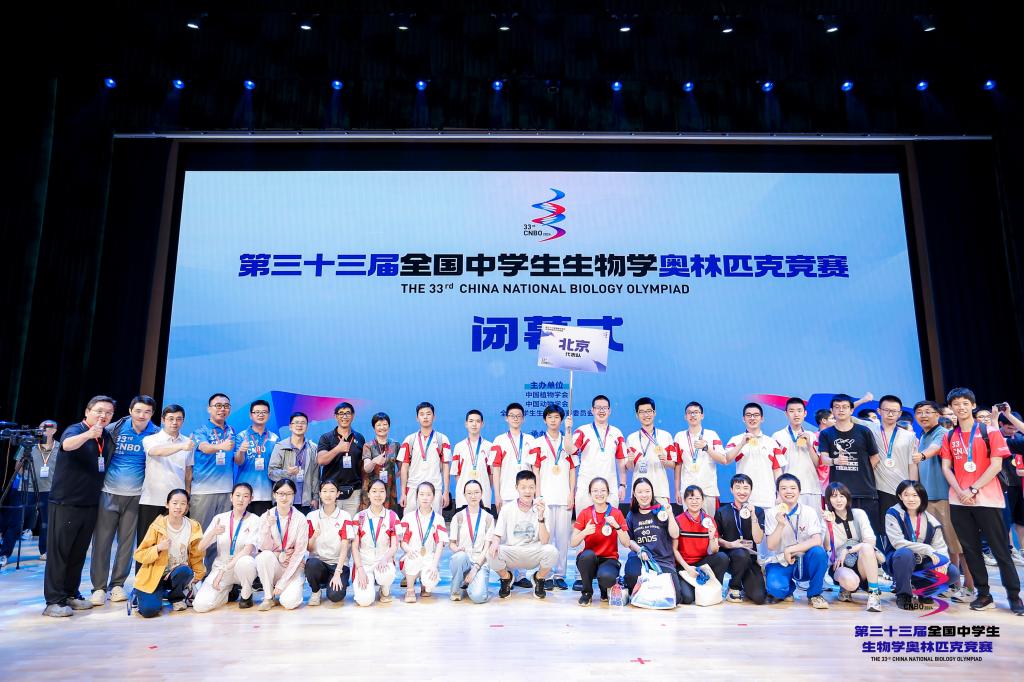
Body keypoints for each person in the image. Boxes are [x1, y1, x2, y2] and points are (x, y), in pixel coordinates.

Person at [939, 387, 1023, 614]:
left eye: (965, 403)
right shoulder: (949, 436)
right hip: (959, 501)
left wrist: (973, 489)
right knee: (970, 550)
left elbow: (996, 465)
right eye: (956, 404)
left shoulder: (990, 431)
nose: (961, 407)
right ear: (951, 408)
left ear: (973, 406)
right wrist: (960, 491)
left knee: (1000, 550)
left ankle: (1014, 597)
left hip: (988, 500)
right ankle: (984, 594)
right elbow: (946, 467)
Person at [42, 396, 117, 617]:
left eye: (109, 413)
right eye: (99, 411)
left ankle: (70, 594)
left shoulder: (106, 437)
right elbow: (66, 445)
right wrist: (88, 434)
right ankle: (54, 601)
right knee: (60, 553)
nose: (103, 416)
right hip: (66, 502)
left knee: (78, 552)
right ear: (87, 411)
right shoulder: (76, 429)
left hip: (90, 503)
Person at [90, 395, 159, 606]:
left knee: (127, 544)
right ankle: (98, 587)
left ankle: (117, 585)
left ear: (152, 414)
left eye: (147, 412)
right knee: (101, 542)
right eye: (138, 411)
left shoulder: (156, 434)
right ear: (130, 411)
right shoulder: (114, 429)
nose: (142, 415)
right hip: (108, 493)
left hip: (136, 496)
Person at [913, 400, 973, 598]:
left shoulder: (943, 433)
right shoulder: (922, 436)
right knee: (945, 546)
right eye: (919, 412)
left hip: (945, 498)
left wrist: (922, 456)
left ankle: (970, 587)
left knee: (958, 545)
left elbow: (936, 448)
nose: (923, 415)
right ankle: (952, 584)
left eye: (928, 412)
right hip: (928, 499)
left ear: (938, 415)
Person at [884, 479, 962, 611]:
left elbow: (940, 548)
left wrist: (943, 563)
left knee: (952, 572)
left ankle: (924, 591)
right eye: (906, 495)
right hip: (898, 561)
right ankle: (903, 595)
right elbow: (898, 543)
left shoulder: (932, 521)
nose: (911, 499)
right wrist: (927, 549)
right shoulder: (893, 513)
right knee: (904, 553)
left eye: (915, 495)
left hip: (922, 563)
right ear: (900, 496)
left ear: (921, 497)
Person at [132, 489, 205, 617]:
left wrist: (197, 576)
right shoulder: (157, 526)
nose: (178, 507)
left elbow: (197, 555)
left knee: (185, 571)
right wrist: (158, 548)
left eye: (183, 503)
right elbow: (139, 554)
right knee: (149, 611)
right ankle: (148, 594)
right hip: (155, 576)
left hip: (177, 574)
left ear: (187, 507)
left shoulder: (193, 526)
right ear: (167, 504)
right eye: (175, 503)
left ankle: (176, 597)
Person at [853, 394, 919, 533]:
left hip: (901, 488)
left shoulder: (909, 436)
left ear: (900, 413)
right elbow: (846, 414)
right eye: (886, 410)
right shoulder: (869, 428)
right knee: (879, 529)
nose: (890, 414)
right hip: (876, 488)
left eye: (894, 411)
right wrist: (863, 401)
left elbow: (912, 464)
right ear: (879, 411)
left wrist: (913, 488)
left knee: (901, 529)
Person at [818, 394, 882, 536]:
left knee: (870, 533)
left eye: (845, 407)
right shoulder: (826, 434)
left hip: (865, 491)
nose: (841, 410)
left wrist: (863, 471)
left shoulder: (864, 431)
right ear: (832, 411)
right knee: (844, 534)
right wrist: (835, 461)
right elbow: (824, 459)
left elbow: (875, 457)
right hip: (839, 494)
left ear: (851, 410)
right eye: (837, 407)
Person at [139, 405, 195, 566]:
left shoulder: (188, 442)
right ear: (163, 420)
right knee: (148, 544)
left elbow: (188, 472)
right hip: (152, 499)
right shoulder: (150, 439)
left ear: (183, 421)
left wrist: (187, 496)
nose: (175, 422)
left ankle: (169, 579)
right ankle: (143, 580)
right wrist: (181, 446)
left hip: (177, 503)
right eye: (171, 419)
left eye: (179, 419)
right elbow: (157, 451)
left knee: (175, 546)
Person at [488, 470, 558, 600]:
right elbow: (497, 534)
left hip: (533, 552)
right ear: (517, 488)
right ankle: (506, 578)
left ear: (535, 488)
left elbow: (545, 541)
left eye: (531, 487)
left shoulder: (542, 508)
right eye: (523, 487)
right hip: (513, 552)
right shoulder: (507, 508)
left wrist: (541, 517)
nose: (527, 491)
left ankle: (538, 579)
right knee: (491, 552)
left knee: (552, 551)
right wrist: (495, 543)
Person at [530, 404, 577, 590]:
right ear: (544, 420)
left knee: (563, 539)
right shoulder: (537, 443)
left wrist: (571, 494)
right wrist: (538, 495)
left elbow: (572, 470)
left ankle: (560, 574)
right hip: (546, 497)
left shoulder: (568, 443)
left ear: (561, 420)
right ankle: (546, 574)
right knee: (546, 539)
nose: (553, 420)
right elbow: (535, 471)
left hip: (564, 497)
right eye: (550, 417)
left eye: (557, 417)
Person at [764, 474, 829, 608]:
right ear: (778, 492)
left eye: (793, 488)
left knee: (819, 552)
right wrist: (780, 524)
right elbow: (771, 546)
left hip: (805, 560)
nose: (789, 491)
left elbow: (817, 540)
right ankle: (788, 588)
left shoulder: (809, 511)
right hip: (781, 561)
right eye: (784, 488)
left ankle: (815, 594)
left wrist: (791, 549)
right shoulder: (771, 513)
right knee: (776, 590)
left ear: (799, 491)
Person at [489, 402, 536, 589]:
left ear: (523, 419)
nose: (515, 418)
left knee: (522, 533)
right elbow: (496, 468)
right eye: (512, 416)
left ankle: (522, 575)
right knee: (506, 535)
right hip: (507, 493)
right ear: (506, 418)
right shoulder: (499, 440)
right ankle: (507, 574)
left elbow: (534, 468)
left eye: (519, 416)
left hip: (526, 494)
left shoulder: (530, 440)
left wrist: (535, 493)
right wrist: (497, 495)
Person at [193, 482, 260, 612]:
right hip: (220, 566)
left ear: (251, 499)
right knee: (200, 606)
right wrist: (213, 532)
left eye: (245, 496)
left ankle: (246, 593)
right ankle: (229, 592)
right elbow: (200, 547)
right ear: (231, 497)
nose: (241, 499)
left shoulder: (254, 520)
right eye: (237, 495)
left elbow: (248, 550)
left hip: (240, 567)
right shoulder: (220, 518)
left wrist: (223, 570)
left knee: (246, 562)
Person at [189, 393, 237, 571]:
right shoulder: (201, 430)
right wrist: (220, 447)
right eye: (218, 405)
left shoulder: (231, 430)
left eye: (226, 406)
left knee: (220, 536)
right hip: (203, 491)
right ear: (209, 409)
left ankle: (213, 574)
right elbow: (204, 447)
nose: (222, 409)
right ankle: (194, 575)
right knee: (200, 535)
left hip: (226, 491)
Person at [822, 482, 883, 612]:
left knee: (866, 547)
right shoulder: (826, 518)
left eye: (842, 496)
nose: (838, 500)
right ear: (828, 500)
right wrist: (828, 525)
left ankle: (873, 594)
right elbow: (827, 547)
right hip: (840, 564)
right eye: (834, 496)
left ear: (847, 498)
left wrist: (847, 550)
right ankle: (845, 588)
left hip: (862, 562)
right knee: (851, 583)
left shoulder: (858, 514)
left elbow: (870, 541)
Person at [623, 477, 684, 604]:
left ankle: (648, 594)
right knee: (632, 575)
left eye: (647, 491)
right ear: (634, 494)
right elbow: (629, 541)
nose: (644, 495)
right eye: (640, 492)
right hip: (642, 559)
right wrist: (639, 550)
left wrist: (670, 514)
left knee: (676, 598)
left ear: (652, 492)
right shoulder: (632, 514)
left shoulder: (661, 510)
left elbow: (675, 534)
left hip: (663, 560)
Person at [571, 477, 628, 606]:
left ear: (608, 493)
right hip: (590, 559)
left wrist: (617, 526)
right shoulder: (585, 513)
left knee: (607, 577)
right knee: (587, 556)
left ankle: (604, 590)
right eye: (595, 491)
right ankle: (587, 592)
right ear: (590, 494)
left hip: (609, 559)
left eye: (603, 490)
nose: (599, 494)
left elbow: (626, 543)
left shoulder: (616, 513)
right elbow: (573, 543)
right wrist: (584, 532)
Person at [256, 479, 309, 611]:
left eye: (288, 494)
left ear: (294, 495)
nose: (284, 498)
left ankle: (288, 587)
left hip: (294, 566)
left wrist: (283, 582)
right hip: (276, 564)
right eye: (280, 493)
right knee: (264, 557)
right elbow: (264, 548)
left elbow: (299, 553)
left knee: (289, 603)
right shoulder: (266, 516)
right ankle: (268, 597)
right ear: (274, 495)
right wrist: (267, 527)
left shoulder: (300, 518)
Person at [714, 474, 767, 605]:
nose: (742, 492)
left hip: (750, 559)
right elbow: (716, 538)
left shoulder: (758, 511)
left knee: (759, 597)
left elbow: (758, 539)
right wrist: (731, 544)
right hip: (731, 557)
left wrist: (753, 515)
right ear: (731, 489)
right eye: (738, 487)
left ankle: (745, 582)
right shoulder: (722, 511)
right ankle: (734, 586)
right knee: (740, 554)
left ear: (751, 490)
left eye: (746, 488)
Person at [673, 485, 729, 605]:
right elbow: (674, 550)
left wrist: (712, 537)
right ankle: (697, 587)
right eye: (690, 498)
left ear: (703, 500)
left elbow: (714, 551)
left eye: (697, 498)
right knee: (687, 598)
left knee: (722, 557)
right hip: (684, 566)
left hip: (702, 565)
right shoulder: (678, 520)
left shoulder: (709, 520)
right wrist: (687, 568)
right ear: (685, 501)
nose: (694, 501)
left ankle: (714, 587)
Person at [571, 395, 626, 512]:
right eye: (598, 407)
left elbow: (621, 461)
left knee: (610, 521)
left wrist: (622, 485)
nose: (601, 411)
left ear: (609, 411)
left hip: (609, 485)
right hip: (586, 485)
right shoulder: (582, 431)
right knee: (584, 521)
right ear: (592, 410)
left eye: (604, 408)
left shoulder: (617, 433)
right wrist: (567, 430)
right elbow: (570, 450)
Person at [725, 403, 785, 511]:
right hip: (744, 498)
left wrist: (780, 494)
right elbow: (727, 459)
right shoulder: (736, 440)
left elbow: (777, 471)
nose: (752, 418)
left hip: (767, 498)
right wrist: (742, 443)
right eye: (748, 415)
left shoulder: (771, 442)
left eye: (756, 415)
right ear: (743, 418)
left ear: (762, 418)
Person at [351, 479, 400, 606]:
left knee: (386, 575)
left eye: (381, 491)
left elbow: (395, 545)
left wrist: (384, 559)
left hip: (383, 561)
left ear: (386, 494)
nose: (378, 495)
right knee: (364, 601)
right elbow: (354, 547)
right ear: (368, 494)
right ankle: (370, 585)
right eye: (374, 491)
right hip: (365, 563)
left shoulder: (392, 516)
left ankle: (384, 589)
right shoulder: (359, 517)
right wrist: (360, 569)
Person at [13, 420, 57, 561]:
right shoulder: (28, 444)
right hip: (28, 488)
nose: (43, 429)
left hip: (49, 489)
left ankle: (45, 551)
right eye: (41, 427)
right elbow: (17, 468)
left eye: (47, 427)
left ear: (54, 430)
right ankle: (5, 553)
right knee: (17, 520)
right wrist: (26, 477)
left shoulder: (60, 447)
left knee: (46, 522)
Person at [673, 401, 726, 516]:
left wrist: (706, 448)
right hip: (688, 490)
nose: (693, 415)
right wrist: (677, 490)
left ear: (702, 415)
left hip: (708, 490)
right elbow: (678, 464)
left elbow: (723, 459)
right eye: (689, 413)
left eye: (696, 412)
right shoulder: (679, 437)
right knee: (689, 523)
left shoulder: (711, 435)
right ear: (685, 416)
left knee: (709, 523)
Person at [398, 481, 448, 602]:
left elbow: (440, 544)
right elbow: (402, 541)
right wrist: (408, 550)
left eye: (428, 494)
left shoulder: (438, 519)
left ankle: (424, 584)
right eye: (422, 494)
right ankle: (410, 589)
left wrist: (434, 565)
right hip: (412, 555)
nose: (425, 498)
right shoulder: (408, 517)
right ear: (417, 496)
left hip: (429, 557)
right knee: (413, 559)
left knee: (431, 580)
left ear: (434, 497)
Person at [305, 479, 352, 605]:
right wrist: (314, 536)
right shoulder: (311, 517)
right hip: (319, 563)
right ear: (320, 494)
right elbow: (309, 549)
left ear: (338, 494)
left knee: (335, 596)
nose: (328, 494)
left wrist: (338, 572)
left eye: (332, 491)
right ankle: (316, 591)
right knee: (311, 564)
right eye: (324, 491)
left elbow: (345, 546)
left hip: (338, 564)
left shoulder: (345, 516)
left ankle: (335, 581)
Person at [448, 479, 496, 603]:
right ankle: (458, 588)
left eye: (476, 492)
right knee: (459, 557)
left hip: (480, 562)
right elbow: (451, 543)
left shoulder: (488, 518)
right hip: (463, 560)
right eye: (469, 493)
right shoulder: (458, 517)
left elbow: (487, 548)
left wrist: (475, 569)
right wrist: (456, 549)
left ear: (481, 493)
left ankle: (471, 584)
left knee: (478, 597)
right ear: (464, 495)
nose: (473, 496)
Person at [399, 402, 451, 514]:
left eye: (428, 414)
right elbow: (404, 467)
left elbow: (446, 467)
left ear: (434, 417)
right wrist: (403, 493)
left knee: (434, 521)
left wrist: (446, 491)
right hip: (413, 488)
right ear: (417, 418)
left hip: (435, 488)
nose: (425, 417)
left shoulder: (442, 439)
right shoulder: (410, 440)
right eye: (422, 414)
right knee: (410, 522)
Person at [771, 397, 822, 511]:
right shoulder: (777, 436)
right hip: (788, 490)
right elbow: (776, 467)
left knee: (814, 521)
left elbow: (818, 463)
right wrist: (779, 491)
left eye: (799, 411)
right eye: (792, 411)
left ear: (805, 413)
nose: (796, 414)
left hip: (811, 488)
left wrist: (809, 445)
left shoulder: (812, 436)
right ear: (786, 414)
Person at [315, 403, 366, 516]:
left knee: (351, 525)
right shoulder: (326, 438)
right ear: (335, 416)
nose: (344, 416)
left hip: (354, 492)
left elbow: (362, 466)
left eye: (348, 413)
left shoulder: (359, 437)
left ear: (353, 416)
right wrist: (337, 449)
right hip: (331, 492)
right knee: (330, 523)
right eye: (341, 413)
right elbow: (321, 460)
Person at [625, 398, 675, 506]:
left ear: (654, 412)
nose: (646, 415)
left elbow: (673, 464)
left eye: (649, 411)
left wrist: (665, 461)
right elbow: (630, 468)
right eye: (642, 412)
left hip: (660, 489)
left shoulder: (666, 436)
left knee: (663, 516)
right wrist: (630, 461)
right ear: (637, 415)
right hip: (639, 491)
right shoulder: (631, 438)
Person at [233, 400, 278, 517]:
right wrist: (241, 451)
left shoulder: (274, 438)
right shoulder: (241, 436)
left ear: (269, 415)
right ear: (250, 415)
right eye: (257, 412)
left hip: (266, 493)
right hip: (244, 494)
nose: (260, 415)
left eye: (264, 412)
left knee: (264, 526)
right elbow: (238, 462)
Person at [270, 412, 319, 514]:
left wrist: (315, 497)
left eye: (303, 423)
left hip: (306, 501)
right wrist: (287, 472)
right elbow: (271, 473)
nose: (299, 425)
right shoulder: (280, 446)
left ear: (307, 426)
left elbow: (315, 475)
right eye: (296, 422)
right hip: (284, 499)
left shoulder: (313, 448)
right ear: (290, 426)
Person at [994, 405, 1024, 566]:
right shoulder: (996, 437)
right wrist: (994, 418)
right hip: (1006, 485)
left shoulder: (1019, 439)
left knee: (1021, 519)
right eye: (1009, 427)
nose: (1013, 430)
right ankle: (1011, 550)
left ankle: (1022, 550)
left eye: (1015, 428)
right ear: (1001, 424)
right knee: (1007, 520)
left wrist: (1009, 415)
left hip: (1021, 484)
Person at [451, 410, 493, 510]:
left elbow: (491, 473)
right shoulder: (459, 446)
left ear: (482, 424)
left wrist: (487, 488)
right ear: (466, 424)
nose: (474, 424)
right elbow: (456, 473)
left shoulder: (489, 446)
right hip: (463, 496)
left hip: (483, 495)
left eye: (478, 421)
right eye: (471, 421)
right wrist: (463, 488)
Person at [361, 412, 399, 510]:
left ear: (389, 426)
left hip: (389, 490)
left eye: (385, 424)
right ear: (374, 427)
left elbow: (402, 469)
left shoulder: (395, 445)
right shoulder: (368, 446)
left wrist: (392, 477)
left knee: (389, 516)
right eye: (378, 425)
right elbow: (367, 468)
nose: (382, 427)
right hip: (371, 489)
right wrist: (374, 461)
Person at [814, 409, 836, 495]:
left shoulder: (836, 436)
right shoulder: (814, 437)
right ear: (823, 420)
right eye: (832, 418)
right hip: (820, 478)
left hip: (834, 474)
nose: (835, 420)